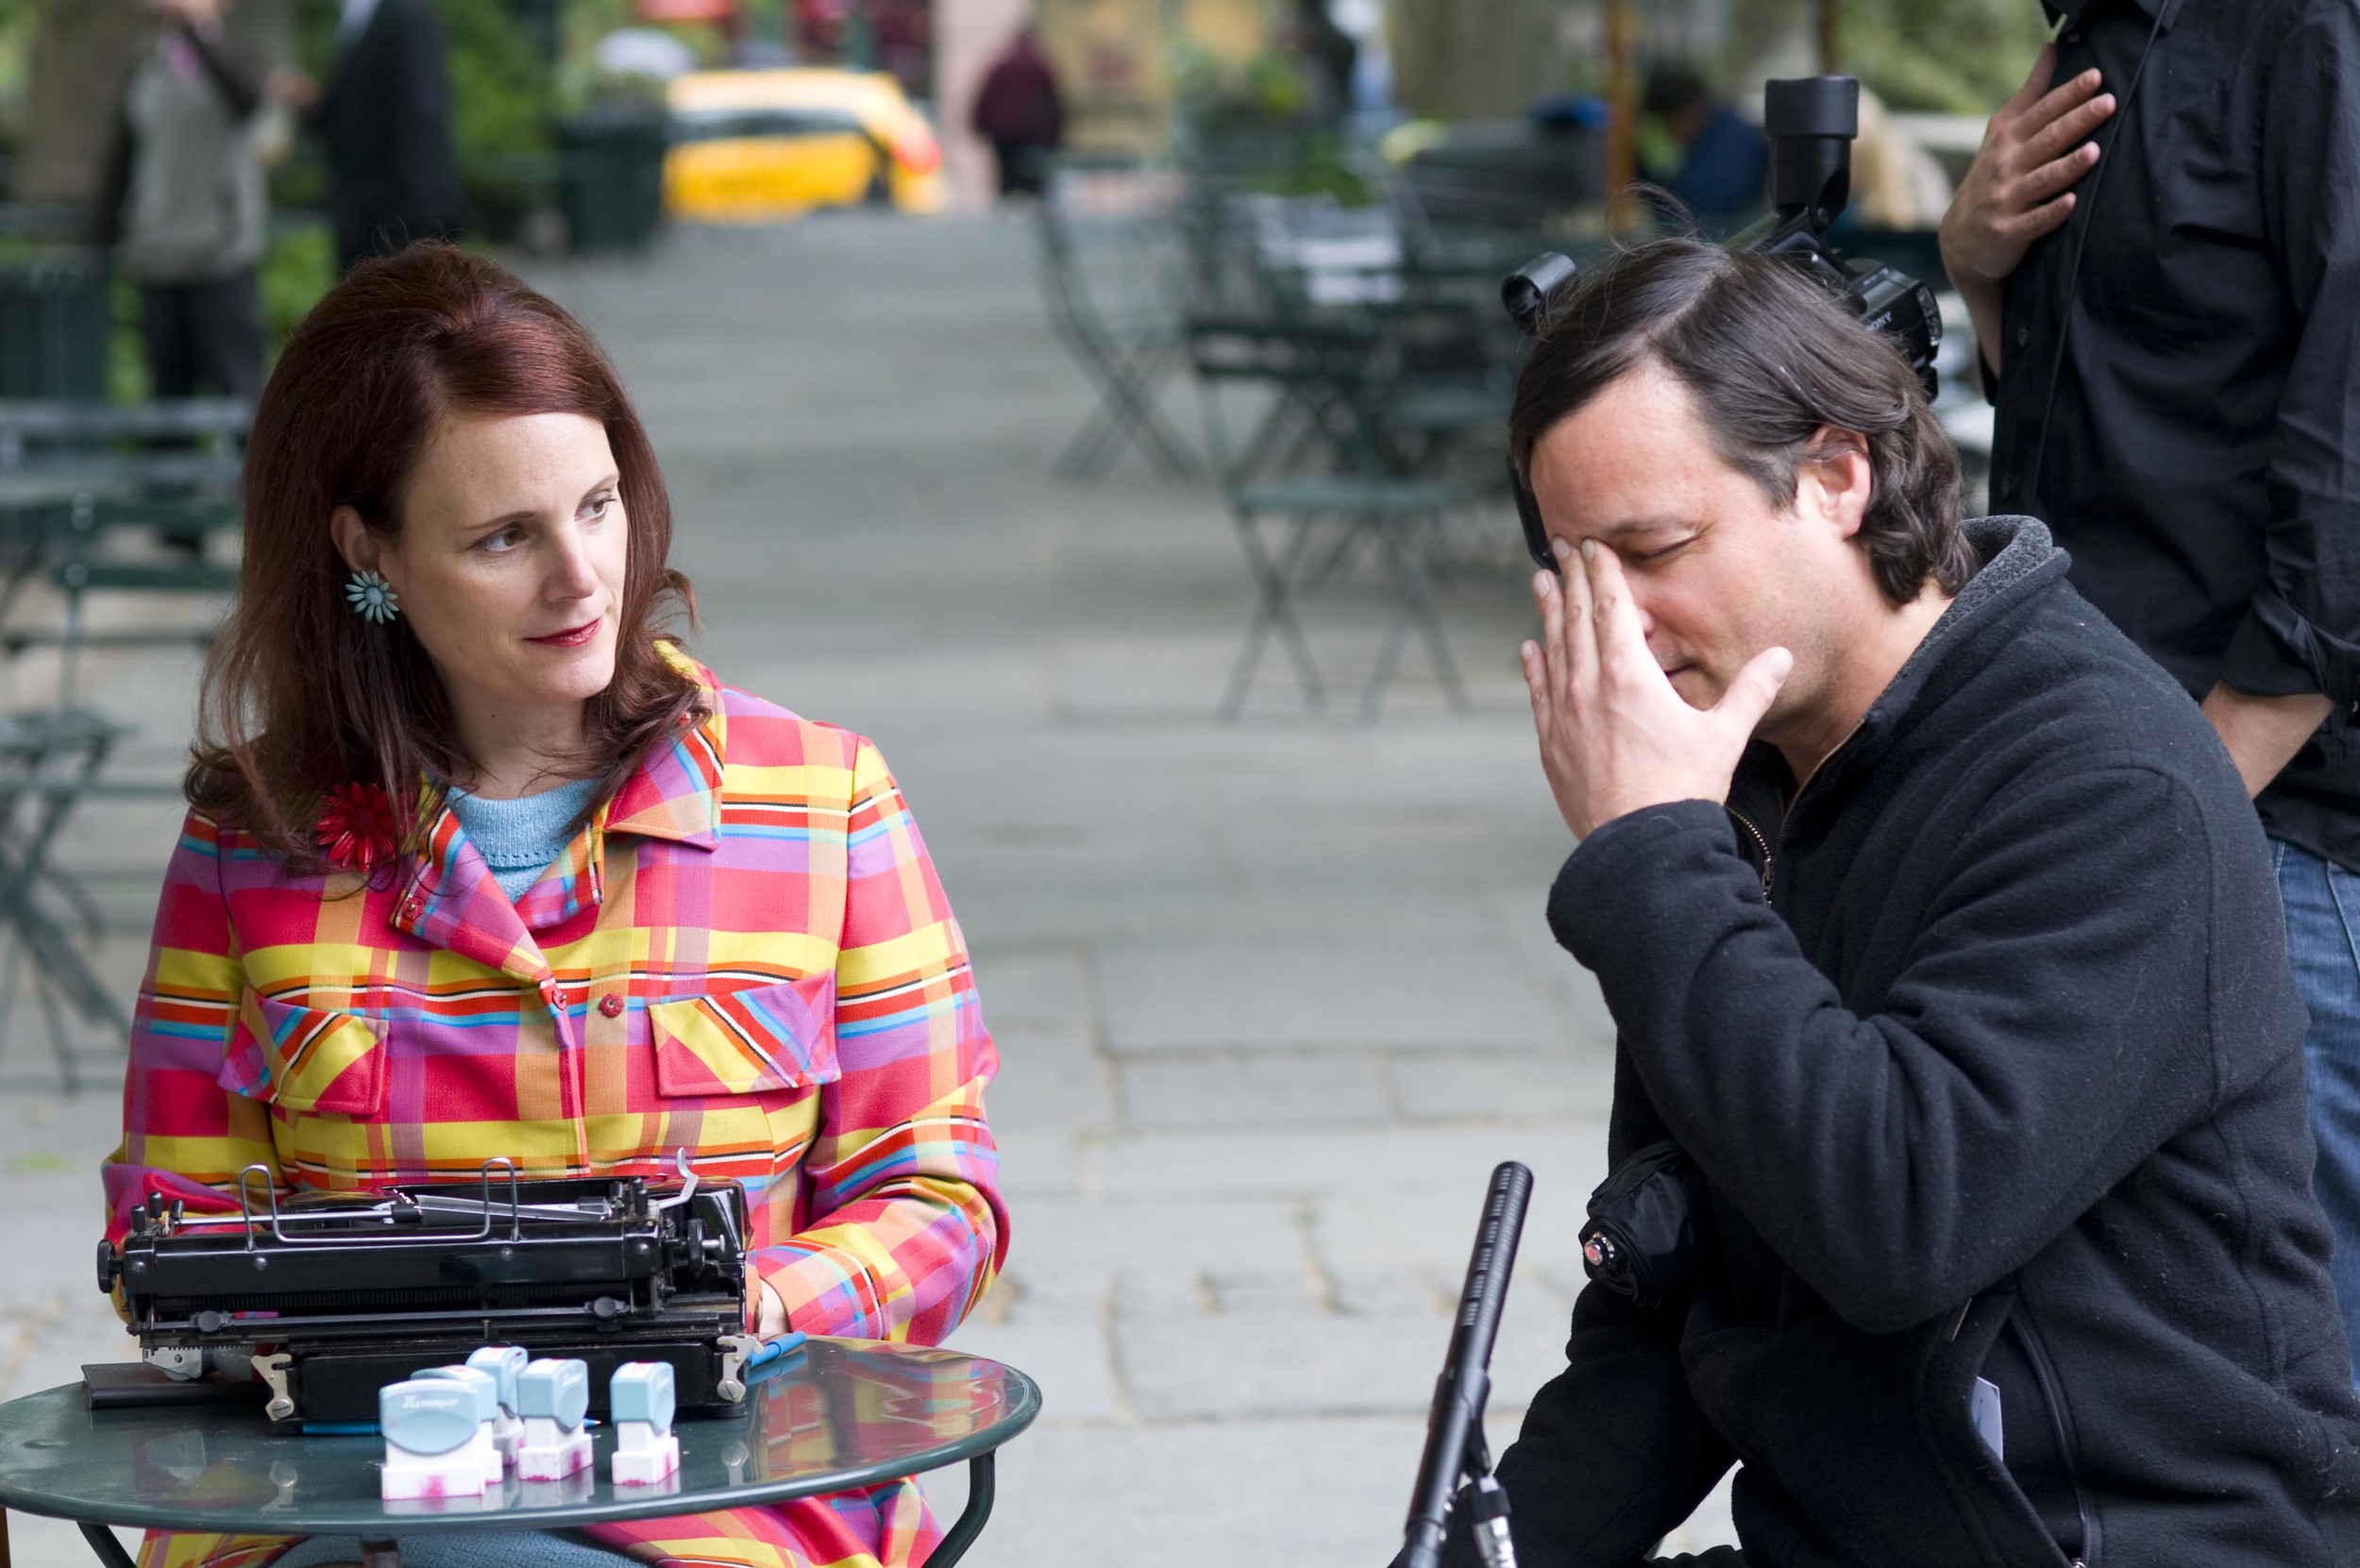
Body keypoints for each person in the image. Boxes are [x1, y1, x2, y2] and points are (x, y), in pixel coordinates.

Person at [1445, 237, 2360, 1567]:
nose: (1622, 629)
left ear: (1835, 475)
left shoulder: (2107, 777)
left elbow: (1896, 1219)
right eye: (1580, 573)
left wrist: (1652, 853)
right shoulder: (1739, 782)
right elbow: (1681, 1282)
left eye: (1654, 549)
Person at [102, 245, 1005, 1568]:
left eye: (597, 507)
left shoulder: (819, 802)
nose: (582, 578)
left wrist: (738, 1299)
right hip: (348, 1506)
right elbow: (166, 1226)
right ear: (371, 553)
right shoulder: (251, 847)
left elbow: (940, 1198)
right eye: (504, 537)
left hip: (723, 1493)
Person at [1939, 9, 2360, 1380]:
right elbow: (2100, 421)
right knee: (2150, 1381)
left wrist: (2198, 781)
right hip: (2098, 790)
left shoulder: (2314, 31)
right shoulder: (2094, 33)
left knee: (2302, 1385)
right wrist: (1978, 269)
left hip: (2279, 827)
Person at [93, 0, 270, 403]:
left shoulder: (238, 56)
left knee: (240, 389)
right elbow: (124, 157)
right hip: (158, 256)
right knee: (167, 392)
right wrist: (101, 235)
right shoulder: (146, 66)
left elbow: (247, 96)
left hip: (221, 257)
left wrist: (193, 26)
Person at [285, 0, 465, 269]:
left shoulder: (406, 19)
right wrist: (316, 109)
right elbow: (360, 113)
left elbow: (421, 114)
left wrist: (426, 218)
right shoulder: (360, 18)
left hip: (397, 220)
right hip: (365, 217)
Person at [1639, 65, 1767, 229]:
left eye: (1667, 123)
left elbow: (1697, 212)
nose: (1669, 133)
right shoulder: (1716, 134)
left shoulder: (1729, 147)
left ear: (1688, 112)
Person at [969, 25, 1063, 199]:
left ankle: (1007, 205)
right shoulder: (1039, 67)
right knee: (1033, 175)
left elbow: (986, 98)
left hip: (1002, 131)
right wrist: (1055, 133)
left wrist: (977, 125)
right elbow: (1051, 101)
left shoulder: (1002, 66)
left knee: (1006, 174)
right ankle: (1031, 209)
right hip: (1031, 130)